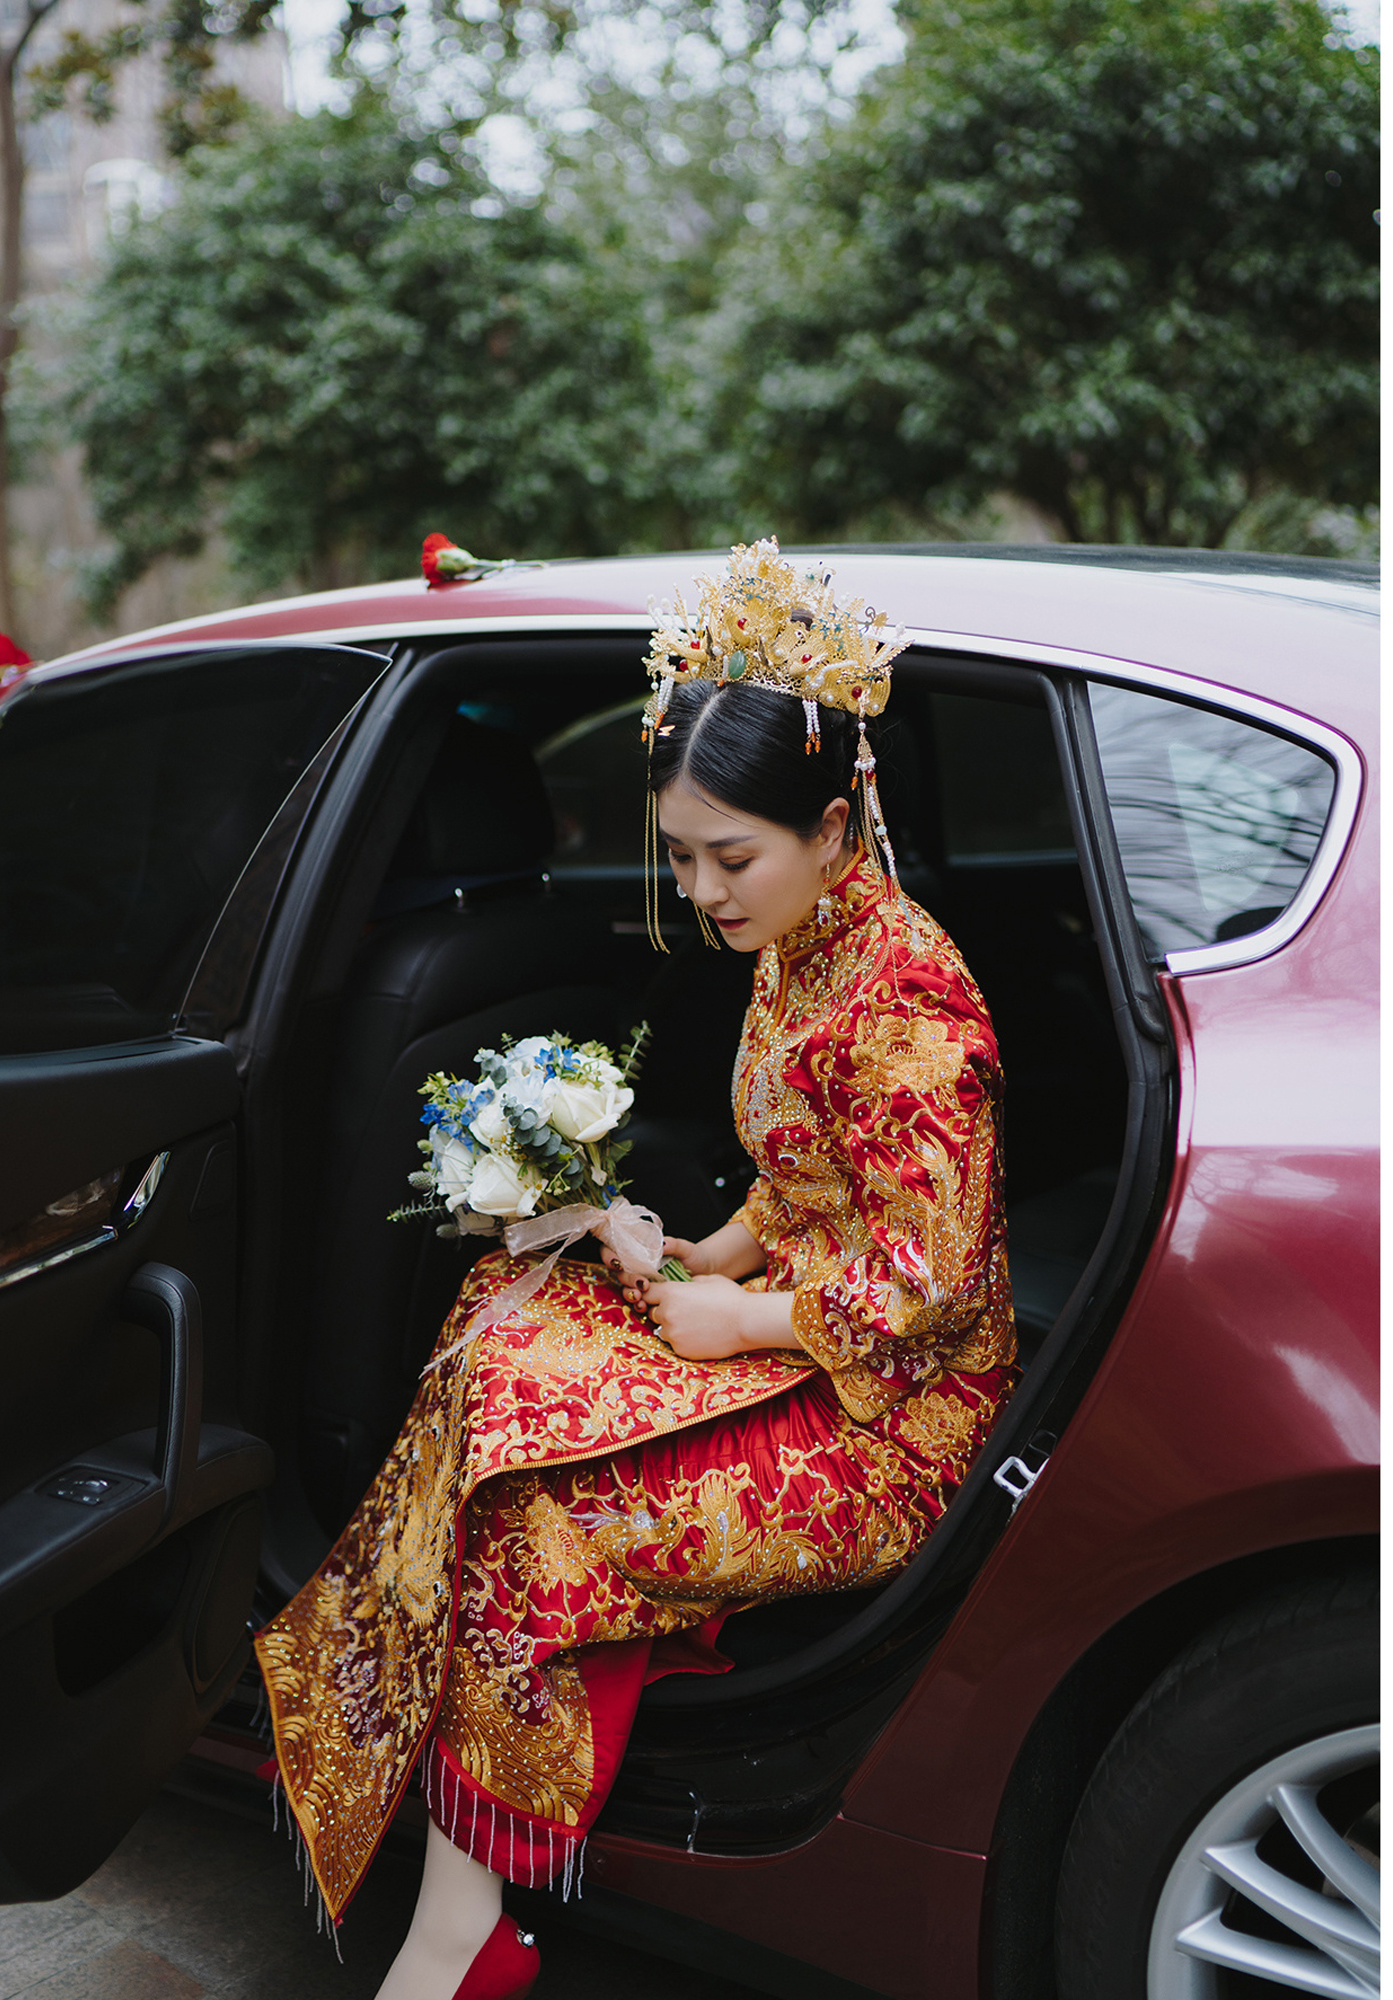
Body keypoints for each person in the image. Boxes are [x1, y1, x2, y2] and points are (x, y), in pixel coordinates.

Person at [256, 542, 1015, 2000]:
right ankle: (464, 1896)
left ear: (835, 825)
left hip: (894, 1411)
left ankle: (462, 1930)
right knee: (507, 1321)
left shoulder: (909, 1001)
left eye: (732, 858)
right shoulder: (801, 943)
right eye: (679, 855)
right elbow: (804, 1175)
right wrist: (701, 1251)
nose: (701, 890)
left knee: (534, 1515)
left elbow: (933, 1282)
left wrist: (739, 1313)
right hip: (791, 1324)